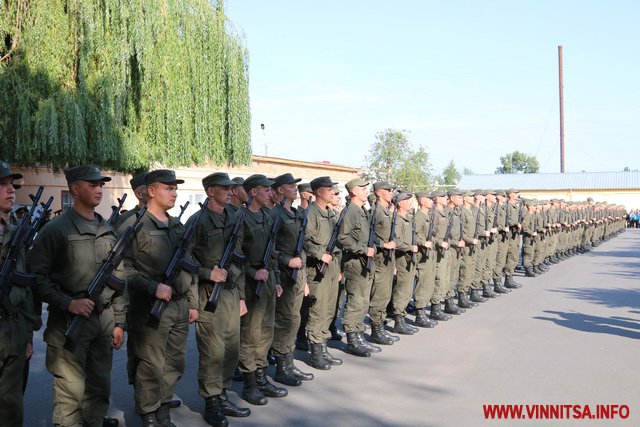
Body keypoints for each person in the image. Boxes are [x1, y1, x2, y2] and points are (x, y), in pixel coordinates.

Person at [30, 165, 125, 427]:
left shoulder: (107, 228)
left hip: (103, 322)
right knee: (70, 397)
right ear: (75, 189)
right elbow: (36, 278)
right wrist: (68, 302)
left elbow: (119, 278)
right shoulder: (55, 230)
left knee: (99, 387)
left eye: (101, 185)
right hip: (68, 325)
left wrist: (119, 322)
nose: (99, 189)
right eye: (93, 184)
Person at [119, 169, 198, 426]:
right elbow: (121, 269)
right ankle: (148, 411)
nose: (174, 193)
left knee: (175, 362)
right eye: (168, 188)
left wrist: (193, 302)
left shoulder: (176, 225)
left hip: (179, 305)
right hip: (149, 307)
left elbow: (190, 264)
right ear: (151, 191)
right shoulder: (133, 225)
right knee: (150, 363)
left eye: (175, 188)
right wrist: (153, 288)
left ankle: (163, 406)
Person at [188, 172, 250, 427]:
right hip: (207, 296)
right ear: (211, 191)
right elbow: (184, 260)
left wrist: (242, 296)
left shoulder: (235, 218)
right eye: (224, 188)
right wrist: (206, 274)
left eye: (231, 188)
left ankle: (222, 394)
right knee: (213, 352)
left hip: (231, 293)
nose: (230, 191)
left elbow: (240, 258)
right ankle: (212, 402)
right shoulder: (197, 221)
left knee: (231, 349)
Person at [235, 174, 287, 405]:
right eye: (266, 190)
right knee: (250, 334)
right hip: (250, 281)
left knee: (266, 330)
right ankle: (250, 384)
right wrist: (251, 272)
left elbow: (272, 252)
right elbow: (234, 256)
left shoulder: (268, 216)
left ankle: (261, 376)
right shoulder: (240, 218)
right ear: (253, 192)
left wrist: (275, 279)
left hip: (267, 279)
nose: (270, 193)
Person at [0, 162, 38, 427]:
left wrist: (27, 335)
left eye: (11, 185)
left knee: (11, 403)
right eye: (2, 185)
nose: (10, 190)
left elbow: (25, 288)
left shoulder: (15, 231)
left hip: (13, 330)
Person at [270, 173, 314, 385]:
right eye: (290, 186)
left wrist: (303, 277)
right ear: (279, 190)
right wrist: (287, 261)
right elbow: (270, 249)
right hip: (284, 275)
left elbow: (301, 249)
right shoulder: (275, 214)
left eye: (295, 186)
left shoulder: (294, 213)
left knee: (294, 319)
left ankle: (289, 363)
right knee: (284, 321)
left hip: (298, 275)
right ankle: (281, 367)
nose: (295, 188)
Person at [304, 176, 343, 370]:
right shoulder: (311, 213)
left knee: (329, 308)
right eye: (329, 189)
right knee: (318, 311)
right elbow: (305, 240)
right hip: (317, 268)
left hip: (332, 266)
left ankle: (323, 347)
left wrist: (337, 268)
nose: (332, 192)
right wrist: (319, 254)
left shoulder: (330, 214)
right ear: (319, 192)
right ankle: (315, 352)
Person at [338, 178, 379, 357]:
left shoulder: (362, 211)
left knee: (363, 301)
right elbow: (342, 238)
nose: (366, 191)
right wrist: (363, 250)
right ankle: (352, 340)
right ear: (354, 191)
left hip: (365, 262)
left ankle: (359, 334)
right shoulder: (350, 212)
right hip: (355, 263)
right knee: (356, 302)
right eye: (363, 189)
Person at [368, 181, 399, 345]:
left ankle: (380, 327)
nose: (391, 193)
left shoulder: (386, 211)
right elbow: (369, 236)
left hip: (388, 260)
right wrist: (383, 245)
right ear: (379, 193)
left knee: (385, 295)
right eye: (388, 190)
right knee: (379, 296)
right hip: (379, 260)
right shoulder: (375, 211)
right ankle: (376, 330)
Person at [390, 191, 420, 333]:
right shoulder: (397, 220)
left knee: (407, 289)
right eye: (407, 201)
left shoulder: (407, 218)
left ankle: (401, 318)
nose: (410, 203)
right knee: (402, 290)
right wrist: (410, 247)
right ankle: (398, 321)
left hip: (409, 258)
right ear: (400, 203)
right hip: (402, 258)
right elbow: (396, 242)